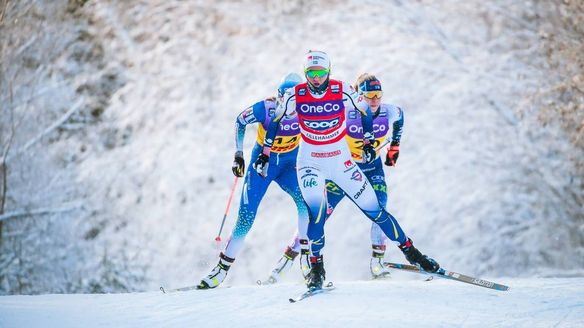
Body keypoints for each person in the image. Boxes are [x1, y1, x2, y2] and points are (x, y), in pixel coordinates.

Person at [254, 50, 439, 290]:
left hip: (341, 163)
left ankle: (414, 255)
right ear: (305, 73)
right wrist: (265, 154)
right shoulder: (295, 95)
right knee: (317, 215)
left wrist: (369, 141)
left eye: (321, 73)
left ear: (329, 71)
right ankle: (316, 269)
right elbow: (276, 120)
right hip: (311, 164)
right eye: (311, 73)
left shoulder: (341, 90)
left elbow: (365, 110)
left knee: (376, 211)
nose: (316, 78)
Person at [267, 73, 405, 280]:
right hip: (343, 171)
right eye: (368, 95)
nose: (374, 100)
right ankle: (286, 260)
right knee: (318, 217)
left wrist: (394, 146)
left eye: (378, 94)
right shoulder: (347, 110)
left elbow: (400, 118)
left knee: (380, 208)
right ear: (358, 96)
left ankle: (377, 263)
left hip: (372, 169)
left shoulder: (390, 111)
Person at [197, 73, 310, 289]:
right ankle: (221, 270)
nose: (292, 106)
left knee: (306, 204)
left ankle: (300, 259)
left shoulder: (306, 111)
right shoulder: (266, 108)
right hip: (263, 166)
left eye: (297, 100)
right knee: (246, 217)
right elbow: (240, 121)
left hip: (288, 166)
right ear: (279, 98)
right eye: (287, 100)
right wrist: (238, 154)